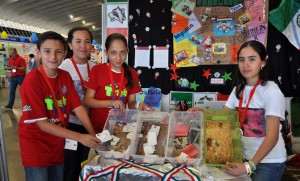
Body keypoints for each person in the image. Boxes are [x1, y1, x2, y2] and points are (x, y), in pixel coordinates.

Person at [188, 41, 286, 181]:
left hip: (269, 162)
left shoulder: (271, 92)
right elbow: (224, 116)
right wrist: (202, 112)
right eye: (241, 60)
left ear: (263, 62)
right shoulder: (239, 88)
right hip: (244, 158)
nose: (245, 65)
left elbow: (272, 136)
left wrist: (249, 166)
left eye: (252, 59)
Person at [18, 31, 100, 181]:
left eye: (58, 52)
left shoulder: (64, 76)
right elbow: (42, 124)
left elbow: (78, 107)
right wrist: (80, 137)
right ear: (39, 53)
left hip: (58, 143)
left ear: (64, 53)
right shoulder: (32, 81)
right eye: (47, 51)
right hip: (37, 147)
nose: (53, 57)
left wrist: (92, 134)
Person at [84, 33, 151, 133]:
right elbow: (88, 101)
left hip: (120, 128)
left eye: (122, 52)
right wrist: (111, 102)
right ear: (106, 52)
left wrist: (139, 105)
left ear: (127, 52)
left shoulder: (132, 73)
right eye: (113, 53)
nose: (118, 58)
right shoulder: (97, 70)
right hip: (98, 129)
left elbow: (131, 103)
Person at [59, 27, 95, 181]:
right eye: (78, 41)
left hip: (90, 125)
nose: (83, 45)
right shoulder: (62, 68)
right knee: (70, 167)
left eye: (87, 41)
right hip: (70, 126)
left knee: (86, 164)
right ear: (70, 45)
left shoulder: (95, 68)